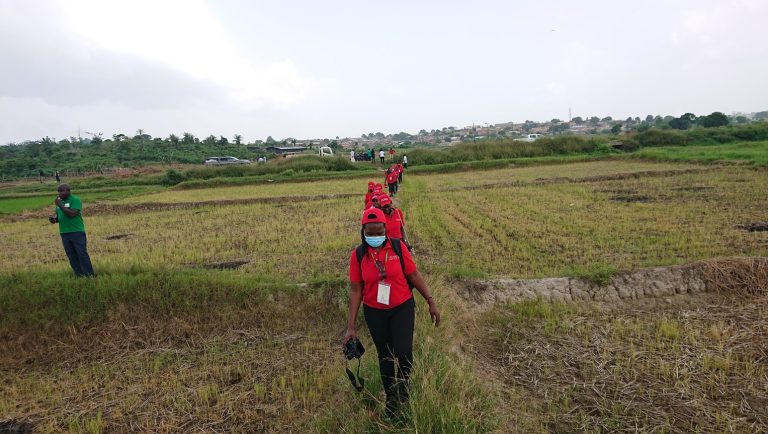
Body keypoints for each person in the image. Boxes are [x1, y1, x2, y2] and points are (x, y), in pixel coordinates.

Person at [344, 208, 440, 417]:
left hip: (402, 308)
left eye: (379, 232)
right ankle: (391, 398)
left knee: (404, 352)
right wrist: (351, 326)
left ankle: (404, 388)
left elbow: (413, 274)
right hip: (374, 312)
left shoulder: (398, 247)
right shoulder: (358, 255)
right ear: (363, 231)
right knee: (385, 356)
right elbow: (355, 289)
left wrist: (430, 301)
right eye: (370, 233)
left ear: (385, 230)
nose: (375, 237)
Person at [49, 184, 95, 277]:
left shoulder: (75, 200)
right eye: (59, 191)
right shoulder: (60, 202)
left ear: (68, 191)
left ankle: (89, 275)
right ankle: (79, 275)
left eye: (62, 191)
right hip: (64, 233)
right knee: (71, 255)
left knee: (81, 254)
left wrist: (60, 205)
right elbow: (60, 216)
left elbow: (73, 214)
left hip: (76, 232)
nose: (60, 193)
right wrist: (54, 219)